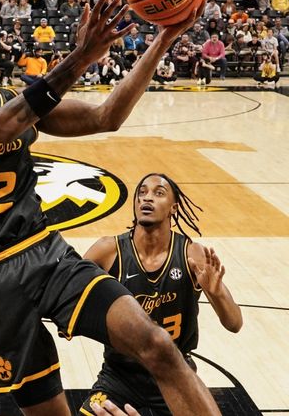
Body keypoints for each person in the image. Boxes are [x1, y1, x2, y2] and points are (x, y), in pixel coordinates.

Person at [0, 0, 220, 416]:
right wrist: (82, 56)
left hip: (48, 255)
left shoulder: (13, 97)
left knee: (158, 344)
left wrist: (163, 39)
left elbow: (106, 116)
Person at [79, 173, 242, 416]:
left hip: (174, 373)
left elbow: (234, 323)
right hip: (119, 375)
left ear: (173, 208)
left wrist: (216, 292)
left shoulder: (191, 254)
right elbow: (71, 295)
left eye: (158, 193)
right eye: (142, 192)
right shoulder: (108, 251)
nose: (147, 198)